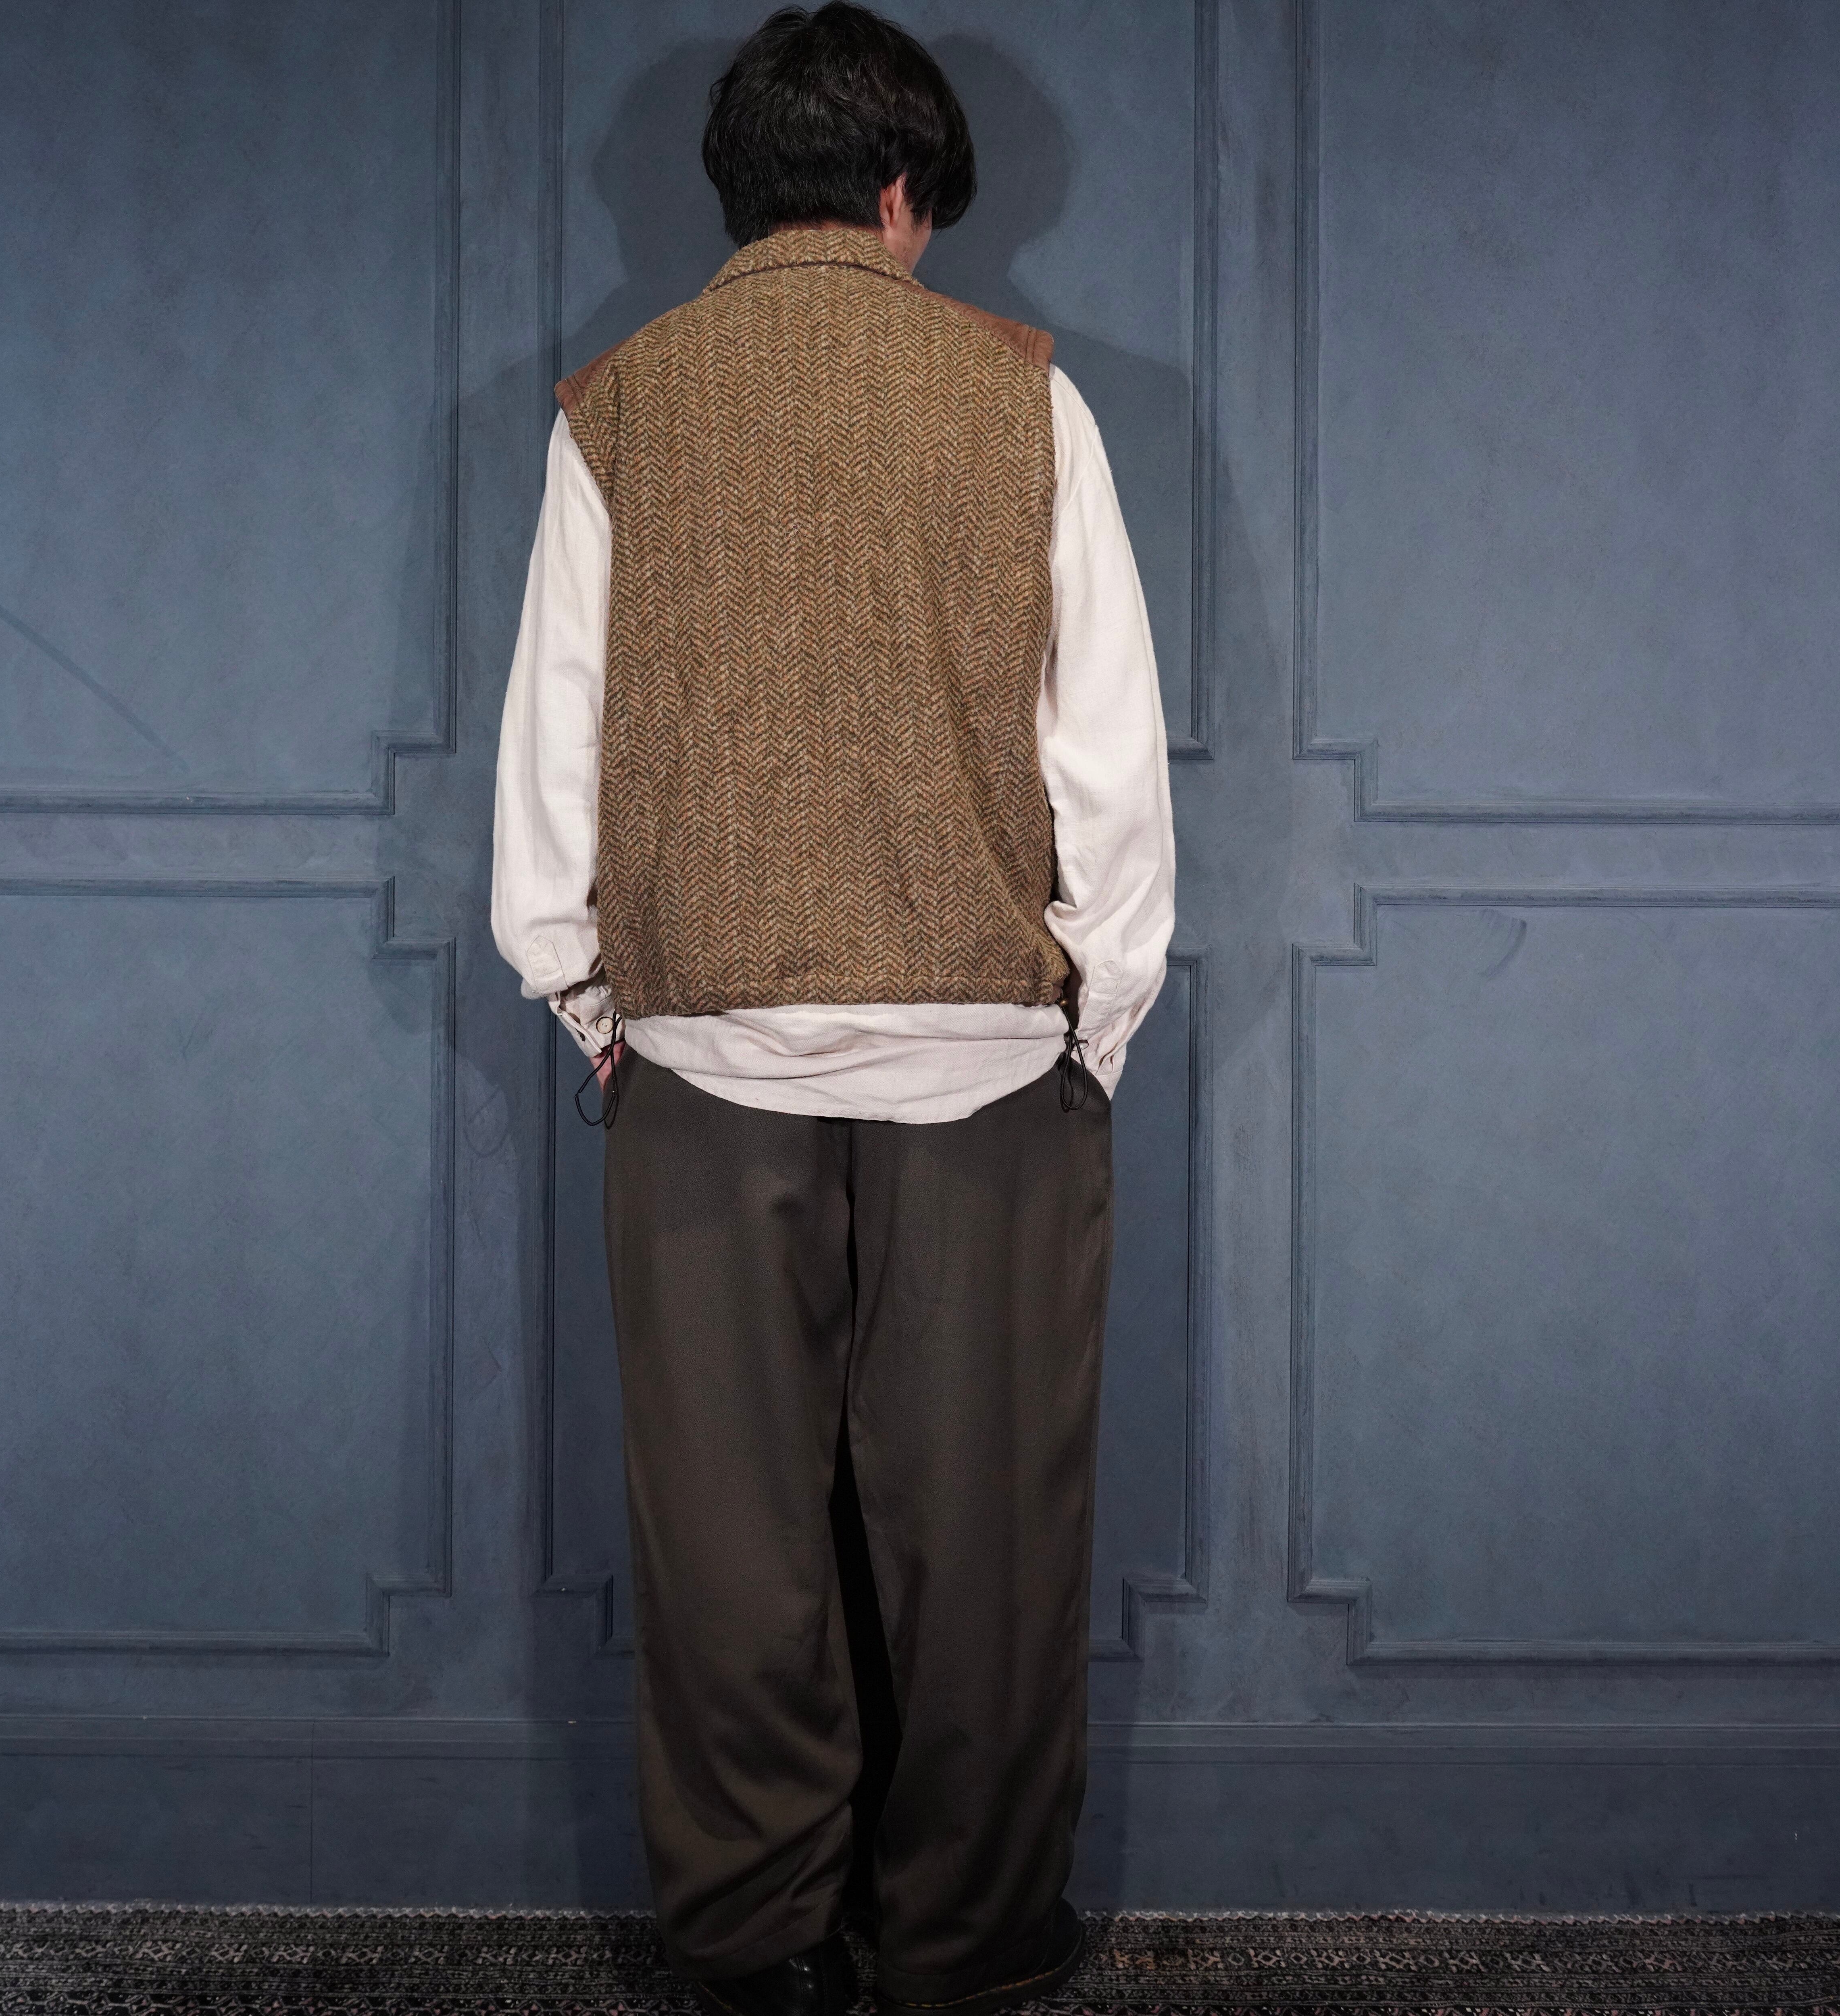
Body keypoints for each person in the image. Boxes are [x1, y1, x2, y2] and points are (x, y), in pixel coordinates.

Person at [491, 6, 1175, 2012]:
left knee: (728, 1554)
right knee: (985, 1550)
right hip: (988, 1065)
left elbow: (551, 751)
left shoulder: (617, 406)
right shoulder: (1020, 399)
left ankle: (744, 1944)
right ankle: (961, 1940)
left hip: (698, 1061)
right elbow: (1107, 757)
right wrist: (1090, 1020)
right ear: (897, 191)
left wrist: (592, 998)